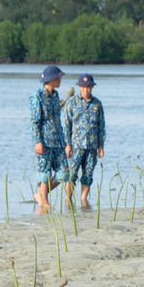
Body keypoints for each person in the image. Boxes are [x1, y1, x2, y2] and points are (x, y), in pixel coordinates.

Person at [63, 72, 106, 208]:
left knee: (88, 175)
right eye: (83, 87)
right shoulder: (72, 103)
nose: (86, 90)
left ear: (92, 87)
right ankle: (68, 202)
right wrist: (68, 145)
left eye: (89, 87)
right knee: (72, 174)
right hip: (76, 146)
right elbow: (67, 125)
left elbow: (101, 126)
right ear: (80, 87)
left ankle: (83, 201)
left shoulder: (97, 104)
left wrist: (101, 145)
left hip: (92, 146)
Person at [30, 64, 67, 213]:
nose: (60, 79)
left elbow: (57, 119)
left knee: (63, 173)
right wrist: (37, 141)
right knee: (44, 173)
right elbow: (35, 121)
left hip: (58, 141)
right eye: (59, 76)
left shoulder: (56, 95)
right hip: (44, 142)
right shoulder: (37, 96)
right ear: (52, 78)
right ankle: (44, 203)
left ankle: (40, 195)